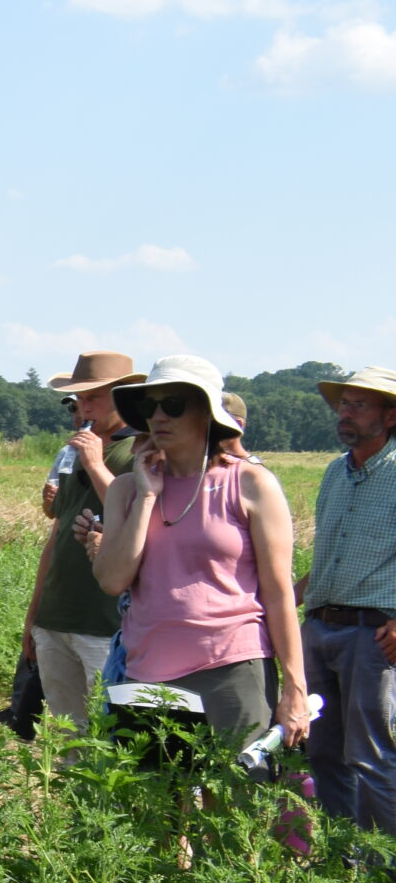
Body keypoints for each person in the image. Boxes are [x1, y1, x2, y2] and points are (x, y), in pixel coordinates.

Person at [91, 356, 308, 753]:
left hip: (231, 666)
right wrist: (147, 495)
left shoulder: (250, 482)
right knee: (160, 807)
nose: (159, 416)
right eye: (150, 406)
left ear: (207, 414)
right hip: (147, 669)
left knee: (228, 803)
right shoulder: (127, 489)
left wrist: (295, 689)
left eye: (173, 405)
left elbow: (278, 595)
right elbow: (111, 579)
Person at [300, 365, 396, 839]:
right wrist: (278, 601)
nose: (346, 414)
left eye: (359, 405)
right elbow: (328, 557)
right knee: (322, 753)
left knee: (372, 755)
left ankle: (386, 877)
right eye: (343, 404)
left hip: (372, 635)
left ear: (391, 416)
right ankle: (344, 863)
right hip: (319, 626)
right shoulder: (337, 472)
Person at [20, 350, 140, 725]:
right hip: (57, 616)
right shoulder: (74, 452)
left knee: (107, 733)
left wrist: (95, 463)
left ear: (122, 396)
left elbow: (137, 521)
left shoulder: (140, 452)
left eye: (93, 397)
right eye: (80, 399)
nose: (83, 408)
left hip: (105, 623)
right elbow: (57, 534)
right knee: (66, 733)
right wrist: (35, 613)